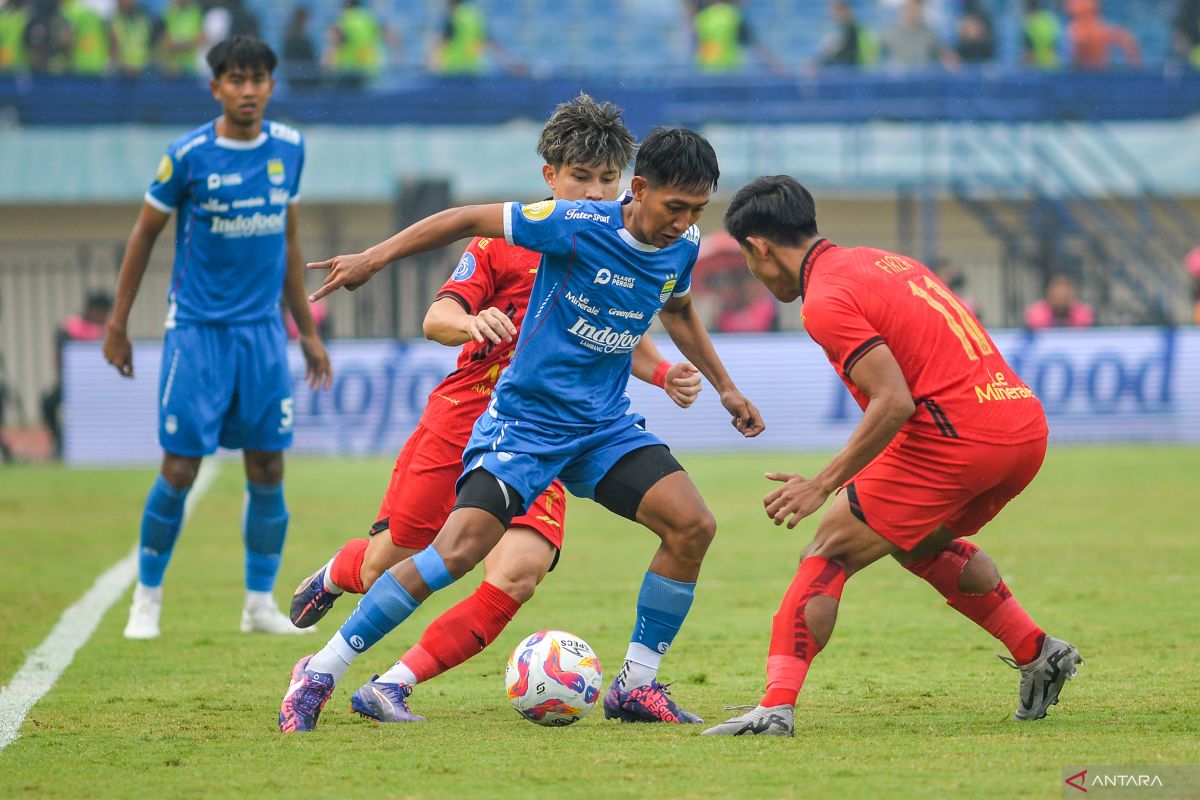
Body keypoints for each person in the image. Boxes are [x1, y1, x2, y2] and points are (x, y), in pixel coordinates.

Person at [278, 126, 765, 733]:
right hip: (526, 427)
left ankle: (635, 685)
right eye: (676, 207)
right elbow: (461, 218)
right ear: (640, 190)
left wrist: (725, 387)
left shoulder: (683, 244)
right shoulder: (573, 224)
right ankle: (320, 672)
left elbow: (679, 307)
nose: (685, 221)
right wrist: (372, 259)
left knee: (692, 525)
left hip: (604, 429)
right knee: (453, 552)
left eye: (697, 208)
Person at [703, 176, 1080, 737]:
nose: (754, 277)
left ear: (759, 246)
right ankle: (1038, 651)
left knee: (829, 547)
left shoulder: (824, 300)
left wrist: (822, 483)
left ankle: (774, 708)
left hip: (958, 439)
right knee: (916, 541)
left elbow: (893, 400)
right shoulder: (885, 262)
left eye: (748, 261)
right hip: (1021, 426)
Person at [101, 36, 333, 641]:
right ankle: (146, 600)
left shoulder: (289, 150)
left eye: (258, 79)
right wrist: (118, 323)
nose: (248, 89)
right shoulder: (187, 157)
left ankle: (259, 603)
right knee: (180, 467)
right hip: (198, 333)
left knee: (267, 465)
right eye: (235, 79)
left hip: (261, 334)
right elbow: (142, 238)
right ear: (216, 88)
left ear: (271, 85)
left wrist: (305, 331)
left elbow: (287, 242)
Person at [41, 291, 112, 459]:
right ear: (90, 309)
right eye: (99, 311)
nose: (101, 315)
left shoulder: (108, 329)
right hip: (72, 383)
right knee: (48, 403)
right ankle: (60, 442)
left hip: (101, 385)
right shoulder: (72, 326)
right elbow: (60, 356)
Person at [429, 0, 522, 75]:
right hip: (472, 72)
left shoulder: (453, 17)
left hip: (451, 73)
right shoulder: (476, 15)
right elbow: (491, 43)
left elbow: (439, 44)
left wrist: (433, 69)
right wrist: (510, 64)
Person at [1066, 0, 1140, 70]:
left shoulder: (1101, 30)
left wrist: (1135, 67)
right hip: (1079, 74)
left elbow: (1127, 41)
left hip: (1100, 73)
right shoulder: (1073, 29)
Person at [1025, 274, 1094, 328]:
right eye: (1058, 295)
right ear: (1050, 294)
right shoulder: (1037, 315)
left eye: (1065, 296)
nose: (1061, 299)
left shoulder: (1083, 315)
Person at [158, 0, 203, 76]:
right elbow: (167, 43)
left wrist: (178, 44)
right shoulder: (167, 13)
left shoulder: (196, 11)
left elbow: (201, 39)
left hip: (191, 66)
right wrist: (189, 43)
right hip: (171, 68)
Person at [110, 0, 154, 79]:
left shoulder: (144, 21)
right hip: (122, 75)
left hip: (144, 73)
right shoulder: (115, 22)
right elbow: (113, 49)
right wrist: (121, 67)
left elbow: (150, 47)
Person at [1022, 0, 1062, 69]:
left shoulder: (1030, 23)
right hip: (1052, 62)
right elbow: (1056, 41)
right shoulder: (1050, 18)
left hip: (1037, 65)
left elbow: (1029, 48)